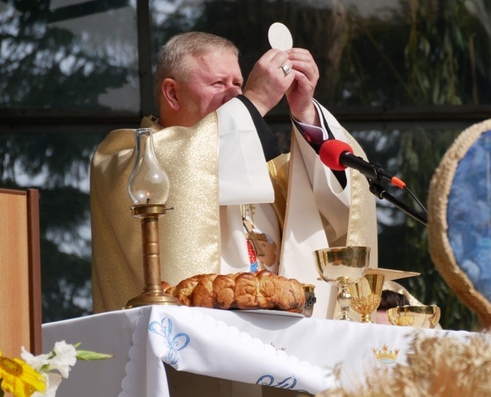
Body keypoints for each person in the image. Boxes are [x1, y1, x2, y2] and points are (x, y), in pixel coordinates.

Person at [90, 31, 377, 315]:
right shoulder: (127, 157)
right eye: (218, 83)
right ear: (172, 93)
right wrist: (257, 100)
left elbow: (342, 200)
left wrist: (305, 113)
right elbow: (177, 162)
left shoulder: (267, 170)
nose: (235, 95)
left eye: (239, 84)